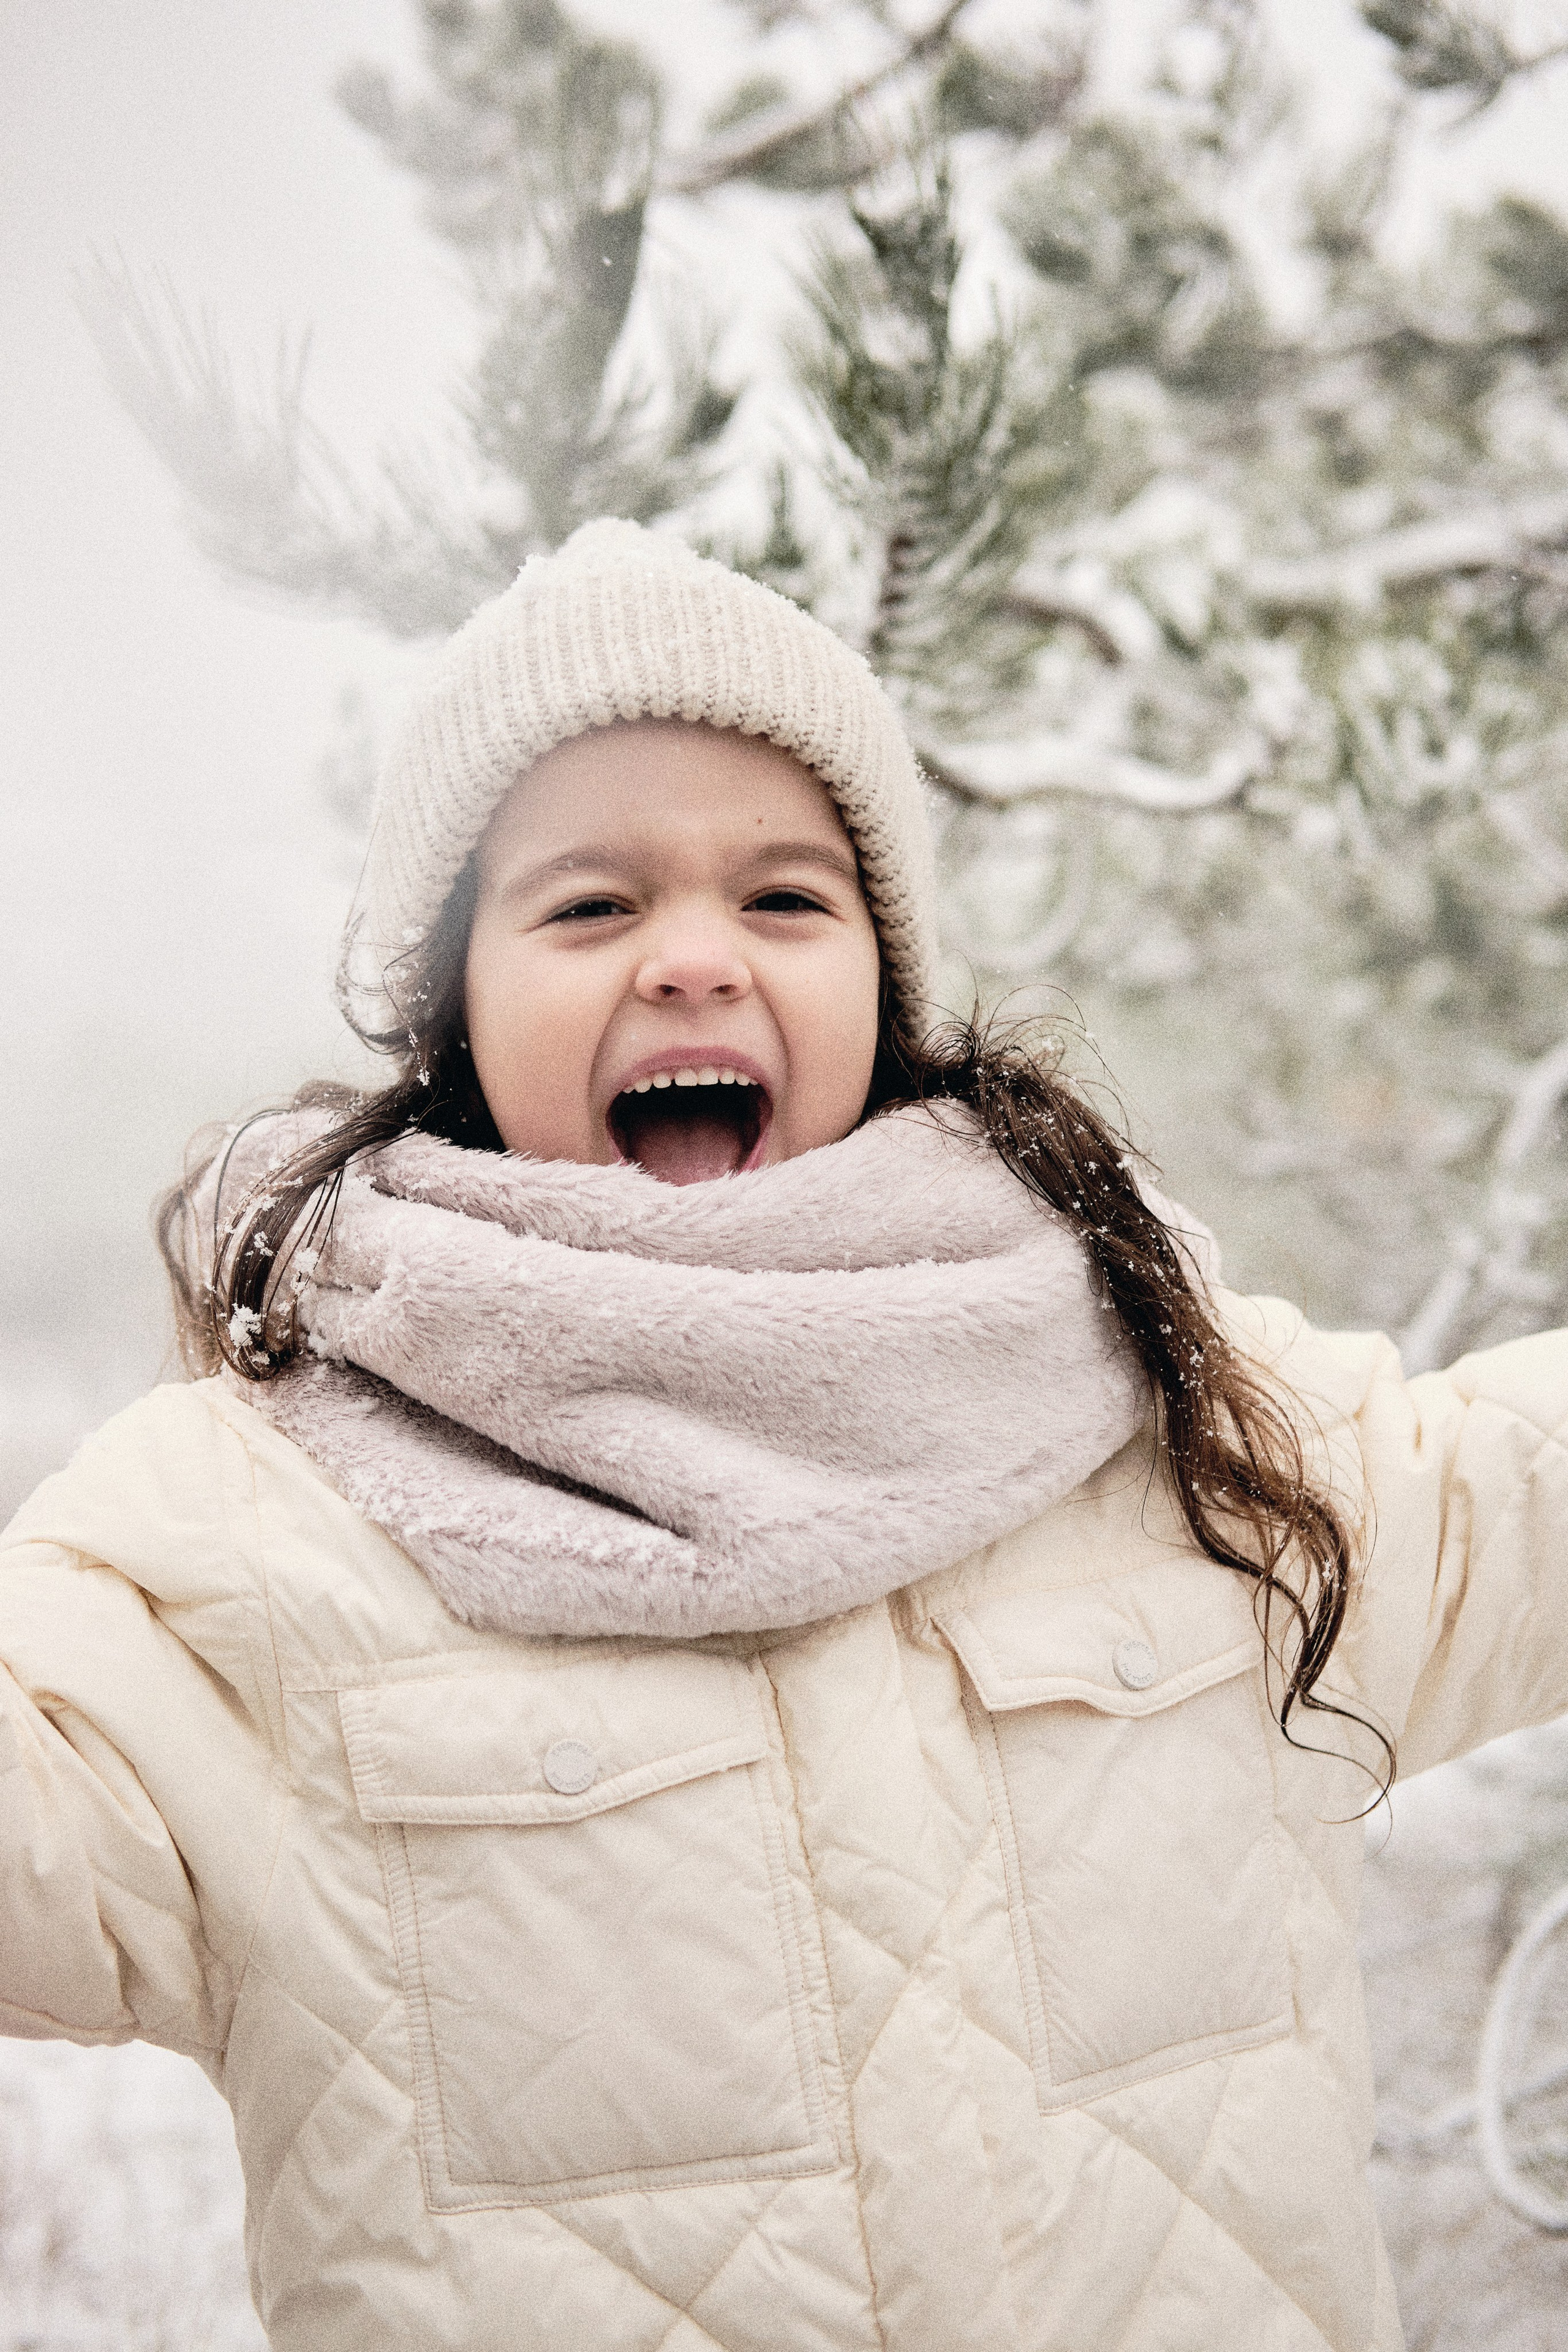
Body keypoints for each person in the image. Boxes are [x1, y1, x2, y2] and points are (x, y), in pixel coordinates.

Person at [2, 518, 1566, 2352]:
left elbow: (1510, 1493)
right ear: (455, 1011)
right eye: (591, 903)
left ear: (885, 990)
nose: (693, 959)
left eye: (785, 898)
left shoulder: (1168, 1407)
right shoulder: (247, 1535)